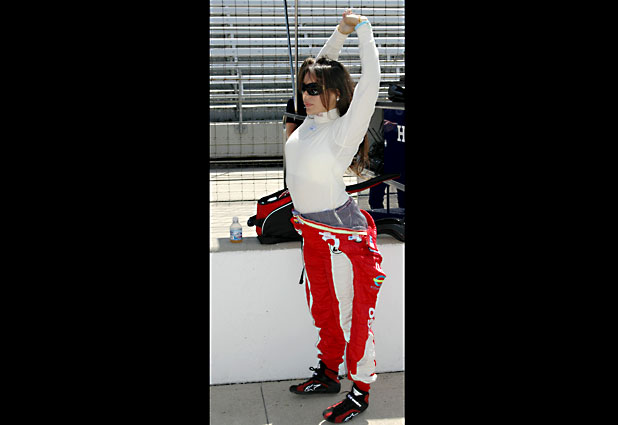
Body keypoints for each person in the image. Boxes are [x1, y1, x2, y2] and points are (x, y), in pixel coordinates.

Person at [284, 9, 384, 423]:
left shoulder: (342, 131)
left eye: (314, 89)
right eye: (304, 87)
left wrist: (363, 30)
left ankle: (359, 391)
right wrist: (338, 33)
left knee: (351, 315)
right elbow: (323, 66)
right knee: (323, 308)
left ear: (336, 94)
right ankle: (328, 373)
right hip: (312, 233)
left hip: (342, 240)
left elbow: (370, 82)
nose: (306, 94)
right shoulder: (309, 121)